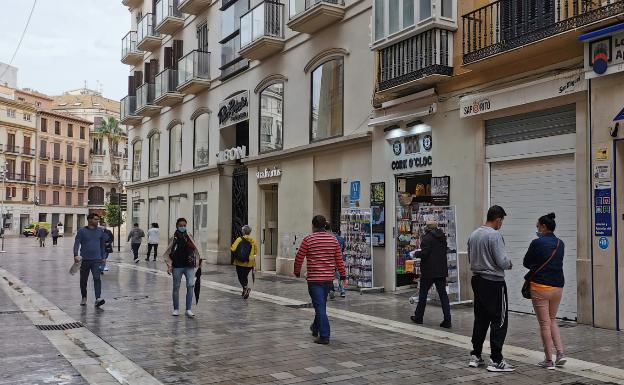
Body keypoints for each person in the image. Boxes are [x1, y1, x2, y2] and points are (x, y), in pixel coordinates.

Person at [467, 205, 514, 372]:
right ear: (498, 219)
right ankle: (496, 360)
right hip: (494, 282)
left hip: (477, 280)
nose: (501, 224)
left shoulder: (474, 234)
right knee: (498, 320)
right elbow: (502, 261)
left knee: (480, 318)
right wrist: (509, 263)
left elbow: (469, 257)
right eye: (502, 221)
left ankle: (476, 355)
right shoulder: (494, 236)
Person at [294, 215, 347, 345]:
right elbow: (339, 260)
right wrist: (343, 275)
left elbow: (299, 257)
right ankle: (315, 327)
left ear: (313, 226)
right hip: (328, 279)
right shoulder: (333, 240)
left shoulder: (308, 239)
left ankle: (324, 335)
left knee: (320, 307)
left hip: (314, 279)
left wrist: (296, 271)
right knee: (321, 304)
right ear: (324, 226)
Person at [523, 213, 566, 370]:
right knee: (552, 319)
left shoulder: (536, 243)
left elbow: (526, 262)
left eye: (537, 226)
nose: (536, 229)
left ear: (543, 227)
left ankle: (549, 360)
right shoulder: (561, 243)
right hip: (558, 287)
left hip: (540, 287)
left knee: (544, 324)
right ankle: (560, 353)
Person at [410, 221, 452, 328]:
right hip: (441, 270)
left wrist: (415, 253)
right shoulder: (442, 237)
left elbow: (424, 254)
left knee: (423, 294)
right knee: (443, 295)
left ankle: (419, 317)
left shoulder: (427, 238)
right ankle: (447, 320)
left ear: (427, 228)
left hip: (429, 271)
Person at [163, 218, 201, 317]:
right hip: (177, 265)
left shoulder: (189, 236)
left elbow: (196, 249)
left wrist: (199, 261)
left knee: (190, 285)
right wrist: (169, 265)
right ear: (177, 226)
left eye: (184, 225)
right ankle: (176, 309)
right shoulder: (173, 237)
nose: (183, 227)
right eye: (181, 225)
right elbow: (168, 252)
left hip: (189, 265)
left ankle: (188, 309)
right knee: (176, 287)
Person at [73, 213, 107, 307]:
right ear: (90, 220)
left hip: (97, 259)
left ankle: (98, 298)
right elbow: (77, 243)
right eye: (96, 219)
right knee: (83, 280)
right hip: (84, 260)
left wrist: (103, 257)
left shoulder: (100, 231)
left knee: (97, 278)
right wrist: (75, 254)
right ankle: (84, 297)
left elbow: (102, 245)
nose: (97, 221)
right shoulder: (81, 231)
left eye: (98, 219)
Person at [231, 225, 258, 299]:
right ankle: (244, 290)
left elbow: (233, 249)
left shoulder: (239, 239)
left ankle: (245, 288)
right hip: (250, 262)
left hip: (240, 261)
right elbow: (256, 252)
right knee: (245, 276)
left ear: (243, 231)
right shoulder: (253, 241)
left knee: (240, 276)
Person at [328, 224, 346, 299]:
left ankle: (332, 290)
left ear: (332, 231)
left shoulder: (331, 239)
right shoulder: (342, 239)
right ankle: (342, 291)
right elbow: (343, 249)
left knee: (331, 276)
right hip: (340, 259)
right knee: (341, 276)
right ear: (339, 231)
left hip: (332, 260)